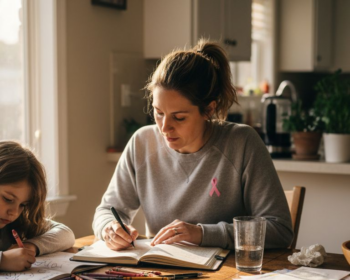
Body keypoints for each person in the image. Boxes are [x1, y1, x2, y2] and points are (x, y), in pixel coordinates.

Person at [93, 39, 293, 251]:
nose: (164, 127)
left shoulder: (242, 143)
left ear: (208, 110)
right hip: (161, 273)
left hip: (228, 275)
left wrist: (202, 233)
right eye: (159, 113)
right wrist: (110, 227)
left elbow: (280, 231)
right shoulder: (142, 143)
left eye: (178, 117)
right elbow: (107, 210)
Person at [0, 141, 75, 271]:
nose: (15, 212)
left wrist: (30, 246)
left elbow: (66, 234)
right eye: (8, 199)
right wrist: (3, 260)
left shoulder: (15, 223)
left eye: (23, 205)